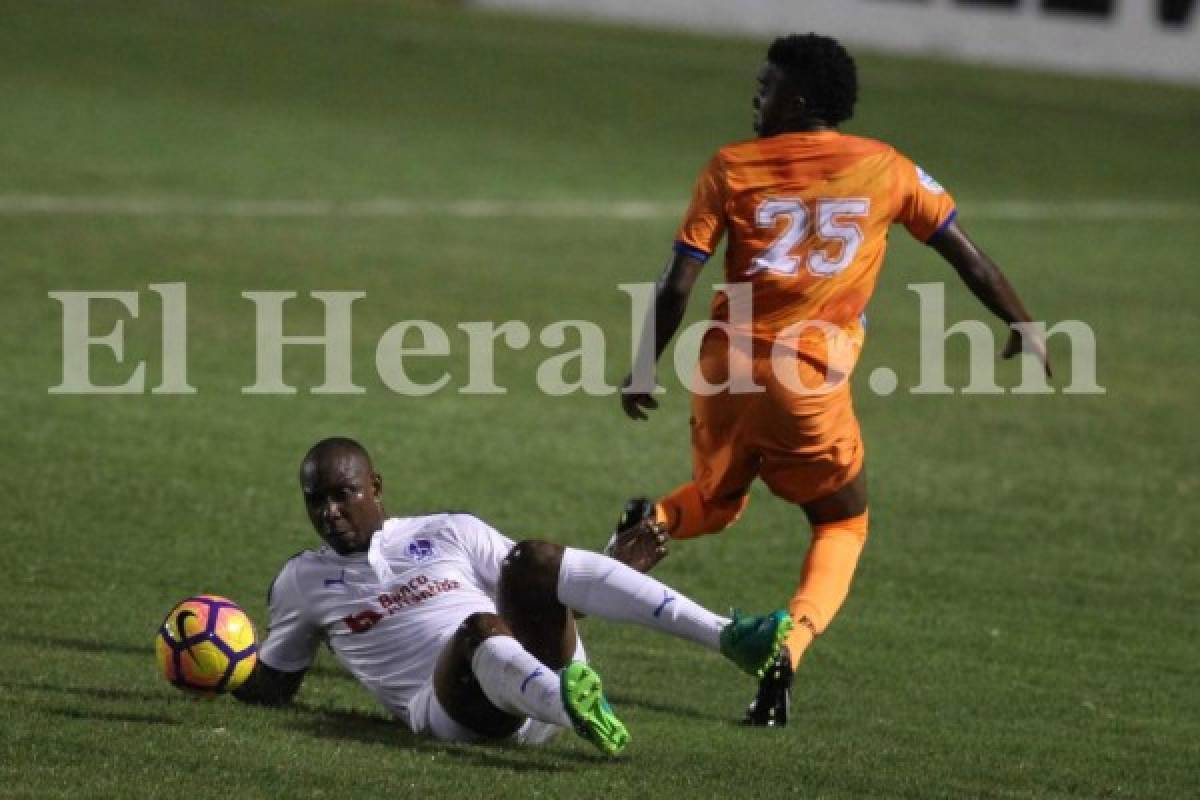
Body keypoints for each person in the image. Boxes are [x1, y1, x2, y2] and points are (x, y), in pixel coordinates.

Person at [613, 34, 1051, 726]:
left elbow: (677, 284)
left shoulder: (729, 167)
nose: (756, 95)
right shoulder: (885, 167)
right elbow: (968, 257)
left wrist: (642, 366)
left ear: (802, 98)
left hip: (724, 368)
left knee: (717, 501)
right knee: (842, 521)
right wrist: (1024, 322)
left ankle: (654, 521)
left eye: (768, 84)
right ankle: (791, 642)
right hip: (806, 384)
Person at [234, 436, 791, 755]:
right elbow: (276, 683)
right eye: (316, 500)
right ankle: (573, 706)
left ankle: (729, 636)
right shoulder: (302, 581)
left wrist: (610, 569)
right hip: (452, 709)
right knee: (477, 627)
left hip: (533, 676)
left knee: (533, 558)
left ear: (375, 488)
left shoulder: (446, 530)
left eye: (343, 494)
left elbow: (545, 596)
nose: (329, 511)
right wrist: (219, 663)